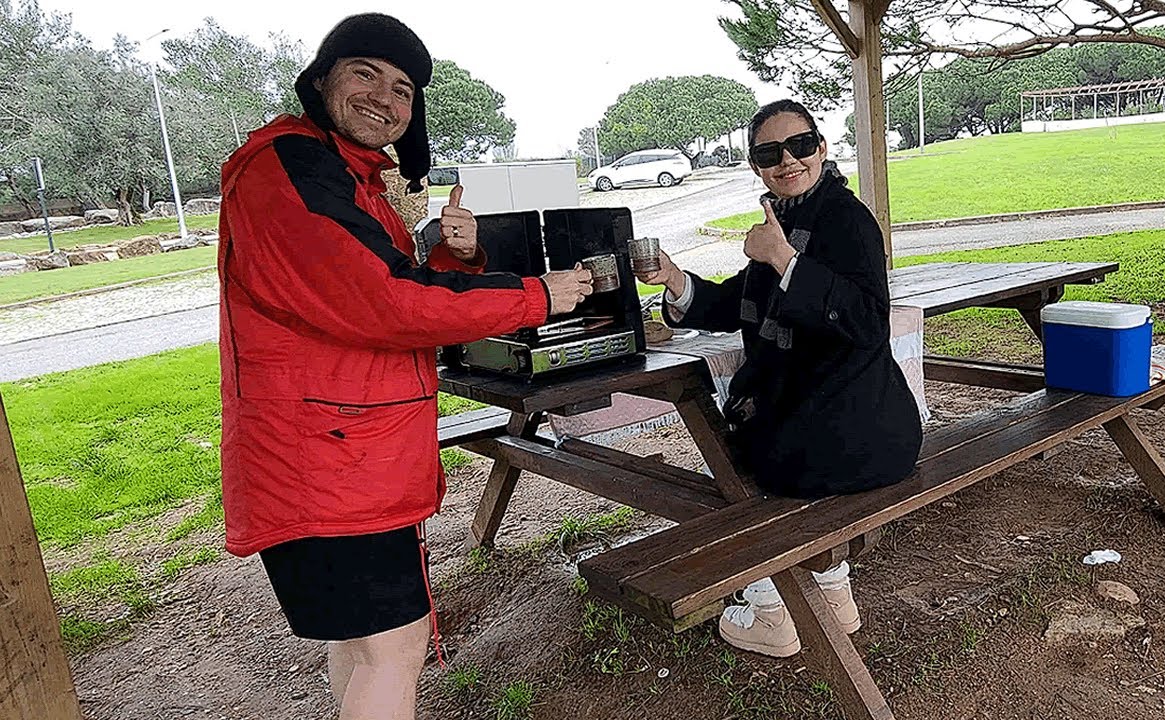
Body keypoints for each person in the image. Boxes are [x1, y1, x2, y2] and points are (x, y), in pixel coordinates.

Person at [216, 13, 592, 720]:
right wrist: (536, 295)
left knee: (364, 645)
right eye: (365, 74)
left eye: (402, 89)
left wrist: (452, 257)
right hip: (330, 459)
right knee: (395, 647)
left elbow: (380, 289)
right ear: (321, 80)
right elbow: (383, 299)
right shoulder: (289, 165)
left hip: (348, 450)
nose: (384, 98)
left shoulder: (343, 175)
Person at [635, 99, 923, 659]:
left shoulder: (845, 219)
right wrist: (674, 279)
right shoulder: (791, 217)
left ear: (821, 147)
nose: (787, 160)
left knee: (734, 466)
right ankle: (834, 597)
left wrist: (787, 260)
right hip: (868, 432)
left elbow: (867, 323)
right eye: (770, 153)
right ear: (755, 165)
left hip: (849, 442)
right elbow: (737, 303)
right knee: (762, 431)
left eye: (800, 145)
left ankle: (772, 614)